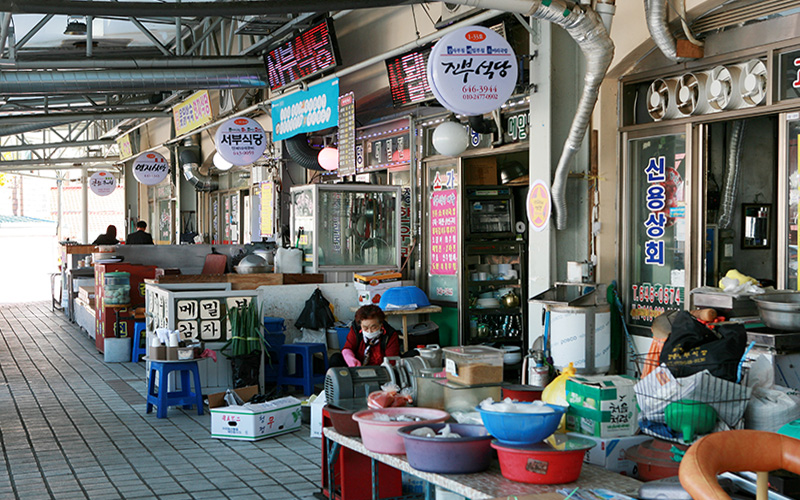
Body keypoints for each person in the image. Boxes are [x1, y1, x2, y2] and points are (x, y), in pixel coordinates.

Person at [330, 305, 400, 367]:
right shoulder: (356, 330)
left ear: (381, 325)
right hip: (358, 366)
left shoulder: (390, 334)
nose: (369, 331)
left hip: (381, 369)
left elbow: (392, 360)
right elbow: (348, 348)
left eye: (374, 327)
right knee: (336, 358)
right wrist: (351, 360)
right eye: (365, 328)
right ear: (360, 325)